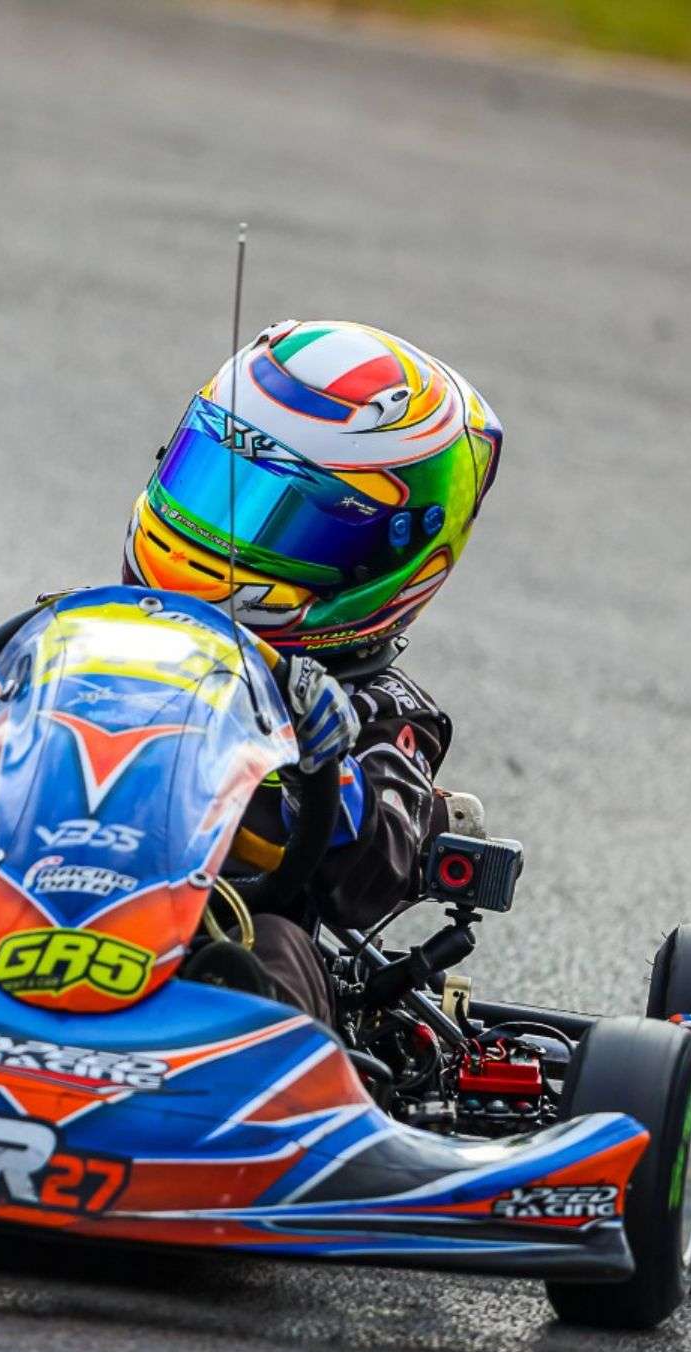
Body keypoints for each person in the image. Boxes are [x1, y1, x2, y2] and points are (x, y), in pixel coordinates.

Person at [118, 319, 503, 1021]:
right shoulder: (95, 636)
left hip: (218, 949)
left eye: (283, 522)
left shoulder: (383, 711)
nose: (222, 538)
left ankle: (247, 1114)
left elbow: (371, 876)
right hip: (30, 897)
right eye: (210, 483)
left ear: (390, 556)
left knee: (266, 955)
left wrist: (322, 769)